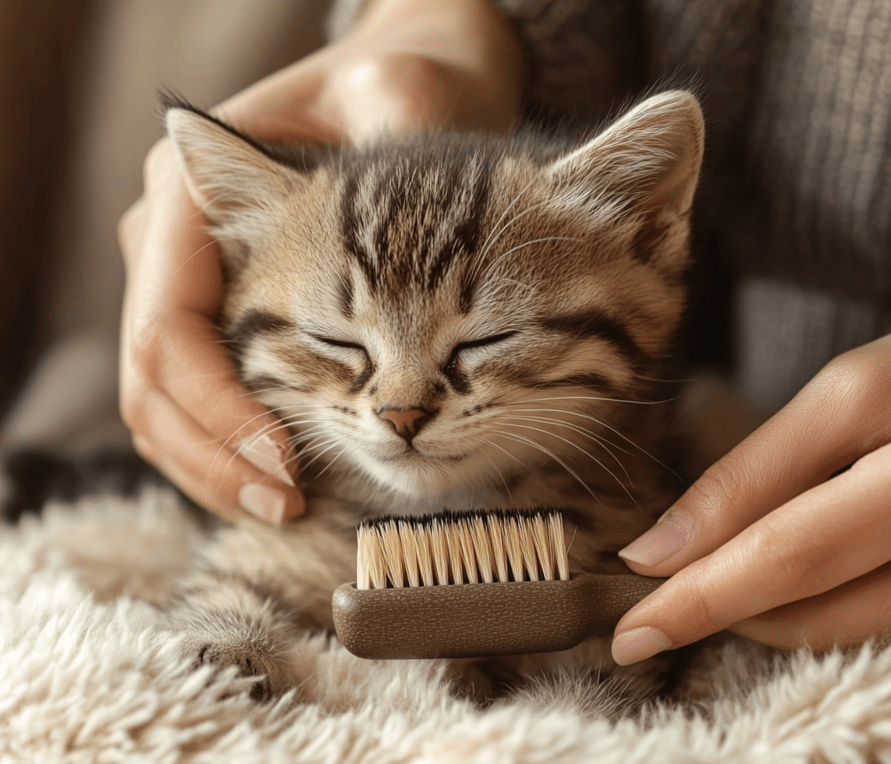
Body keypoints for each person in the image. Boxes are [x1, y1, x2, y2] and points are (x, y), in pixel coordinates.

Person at [118, 0, 891, 665]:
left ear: (645, 229)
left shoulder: (627, 502)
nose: (401, 406)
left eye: (482, 341)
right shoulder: (315, 500)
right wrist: (444, 20)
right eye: (337, 342)